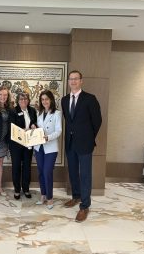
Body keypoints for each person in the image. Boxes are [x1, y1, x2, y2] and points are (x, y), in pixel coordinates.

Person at [61, 70, 102, 222]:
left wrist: (89, 138)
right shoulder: (64, 100)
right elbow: (68, 120)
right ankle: (76, 196)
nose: (73, 81)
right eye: (71, 79)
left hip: (85, 144)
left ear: (81, 81)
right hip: (70, 143)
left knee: (85, 175)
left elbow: (97, 121)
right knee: (72, 172)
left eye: (76, 79)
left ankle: (85, 206)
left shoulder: (90, 99)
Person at [34, 90, 62, 209]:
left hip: (51, 147)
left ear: (51, 100)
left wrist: (48, 137)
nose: (44, 101)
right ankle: (43, 195)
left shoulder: (57, 113)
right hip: (38, 147)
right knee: (40, 172)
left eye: (46, 99)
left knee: (47, 172)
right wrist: (33, 127)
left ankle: (50, 198)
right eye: (42, 99)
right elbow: (38, 129)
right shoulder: (39, 113)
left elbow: (59, 131)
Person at [9, 92, 37, 200]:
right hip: (16, 144)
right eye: (21, 99)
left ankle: (26, 188)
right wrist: (22, 131)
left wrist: (34, 125)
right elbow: (12, 126)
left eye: (25, 99)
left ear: (28, 100)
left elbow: (34, 122)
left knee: (27, 166)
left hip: (28, 144)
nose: (23, 101)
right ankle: (17, 189)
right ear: (18, 100)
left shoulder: (32, 110)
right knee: (16, 166)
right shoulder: (13, 111)